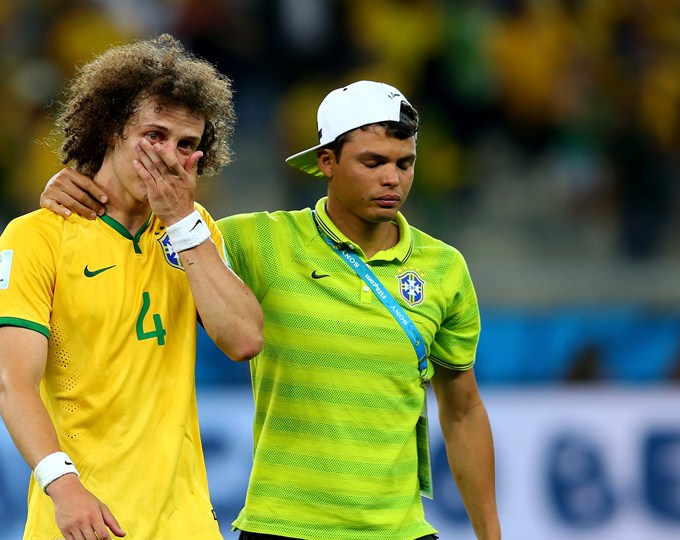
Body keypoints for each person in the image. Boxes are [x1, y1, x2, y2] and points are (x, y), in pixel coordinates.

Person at [41, 80, 501, 540]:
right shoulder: (258, 241)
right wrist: (78, 190)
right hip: (280, 527)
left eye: (405, 163)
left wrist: (490, 534)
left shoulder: (444, 268)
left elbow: (463, 412)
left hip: (402, 531)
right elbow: (154, 235)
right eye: (373, 162)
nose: (392, 179)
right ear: (327, 161)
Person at [0, 34, 263, 540]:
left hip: (184, 523)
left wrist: (182, 223)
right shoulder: (37, 236)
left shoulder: (194, 230)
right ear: (112, 128)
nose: (169, 157)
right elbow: (14, 383)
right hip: (83, 517)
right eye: (155, 135)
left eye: (186, 145)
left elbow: (244, 340)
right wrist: (62, 486)